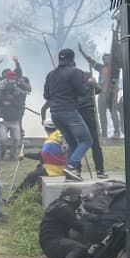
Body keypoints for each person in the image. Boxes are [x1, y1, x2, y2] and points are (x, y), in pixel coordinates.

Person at [40, 187, 125, 258]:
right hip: (52, 244)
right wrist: (96, 221)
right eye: (78, 197)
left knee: (88, 248)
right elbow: (80, 227)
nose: (80, 200)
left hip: (52, 244)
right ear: (69, 198)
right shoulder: (63, 209)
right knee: (79, 248)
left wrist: (89, 217)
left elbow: (77, 220)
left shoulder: (60, 205)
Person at [44, 48, 93, 181]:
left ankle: (70, 172)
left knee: (72, 142)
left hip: (55, 114)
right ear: (72, 59)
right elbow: (82, 91)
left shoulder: (50, 74)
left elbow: (46, 95)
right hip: (69, 111)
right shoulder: (75, 72)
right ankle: (72, 166)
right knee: (86, 140)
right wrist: (89, 84)